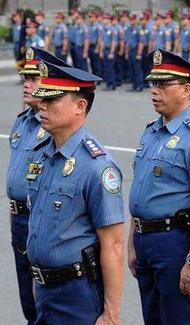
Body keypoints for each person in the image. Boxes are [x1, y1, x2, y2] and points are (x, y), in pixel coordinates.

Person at [128, 48, 190, 324]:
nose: (154, 91)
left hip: (177, 242)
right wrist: (134, 242)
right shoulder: (152, 131)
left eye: (163, 84)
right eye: (152, 84)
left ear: (185, 89)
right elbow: (142, 193)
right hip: (147, 241)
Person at [28, 60, 125, 324]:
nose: (42, 106)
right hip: (45, 289)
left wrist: (111, 314)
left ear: (80, 106)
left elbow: (114, 245)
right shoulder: (43, 155)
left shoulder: (96, 166)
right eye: (42, 99)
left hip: (76, 292)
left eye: (53, 100)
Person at [7, 47, 69, 325]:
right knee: (27, 301)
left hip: (41, 218)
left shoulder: (54, 127)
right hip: (20, 219)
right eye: (25, 78)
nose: (27, 84)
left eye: (34, 79)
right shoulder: (22, 124)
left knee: (44, 300)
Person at [126, 14, 145, 92]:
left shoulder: (139, 30)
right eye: (130, 20)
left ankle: (140, 85)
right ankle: (134, 85)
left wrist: (139, 54)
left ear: (135, 21)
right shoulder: (128, 29)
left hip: (136, 50)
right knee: (132, 69)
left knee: (137, 69)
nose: (131, 21)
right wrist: (127, 53)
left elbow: (141, 42)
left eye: (133, 20)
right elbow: (127, 42)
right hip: (130, 51)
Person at [99, 13, 118, 91]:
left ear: (109, 20)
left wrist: (112, 52)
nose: (104, 20)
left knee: (111, 68)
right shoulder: (104, 29)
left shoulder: (113, 29)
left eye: (105, 19)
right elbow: (102, 41)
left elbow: (114, 42)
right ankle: (108, 83)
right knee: (106, 68)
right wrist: (101, 51)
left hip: (110, 50)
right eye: (103, 18)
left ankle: (112, 84)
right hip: (105, 50)